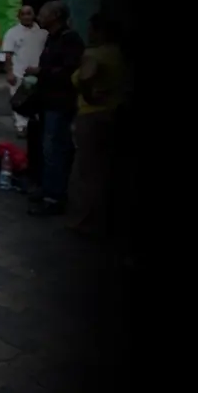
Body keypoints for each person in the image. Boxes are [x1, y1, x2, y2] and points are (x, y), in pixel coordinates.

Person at [26, 0, 85, 216]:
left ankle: (55, 197)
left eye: (42, 13)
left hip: (60, 104)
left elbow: (70, 72)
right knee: (47, 147)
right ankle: (49, 188)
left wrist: (41, 72)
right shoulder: (52, 38)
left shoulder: (70, 40)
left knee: (55, 148)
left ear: (56, 16)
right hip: (47, 102)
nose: (38, 17)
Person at [67, 13, 124, 234]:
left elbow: (86, 77)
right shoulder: (120, 53)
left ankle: (87, 221)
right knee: (109, 168)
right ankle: (108, 217)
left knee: (88, 171)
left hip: (92, 116)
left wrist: (87, 94)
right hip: (115, 113)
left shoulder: (93, 54)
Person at [2, 6, 48, 136]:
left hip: (39, 73)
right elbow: (8, 55)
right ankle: (21, 126)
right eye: (23, 14)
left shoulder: (43, 33)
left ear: (34, 15)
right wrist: (9, 73)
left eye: (29, 13)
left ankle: (37, 126)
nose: (26, 17)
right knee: (19, 101)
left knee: (38, 100)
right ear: (19, 16)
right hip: (19, 74)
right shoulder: (12, 33)